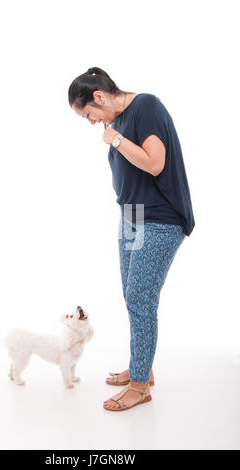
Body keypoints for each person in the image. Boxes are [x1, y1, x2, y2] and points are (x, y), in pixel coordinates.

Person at [68, 67, 195, 412]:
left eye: (88, 114)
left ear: (98, 96)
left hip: (160, 218)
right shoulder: (118, 121)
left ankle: (140, 386)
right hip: (132, 216)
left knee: (141, 298)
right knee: (132, 295)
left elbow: (155, 164)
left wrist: (117, 141)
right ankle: (143, 366)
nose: (91, 122)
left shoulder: (146, 107)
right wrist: (116, 138)